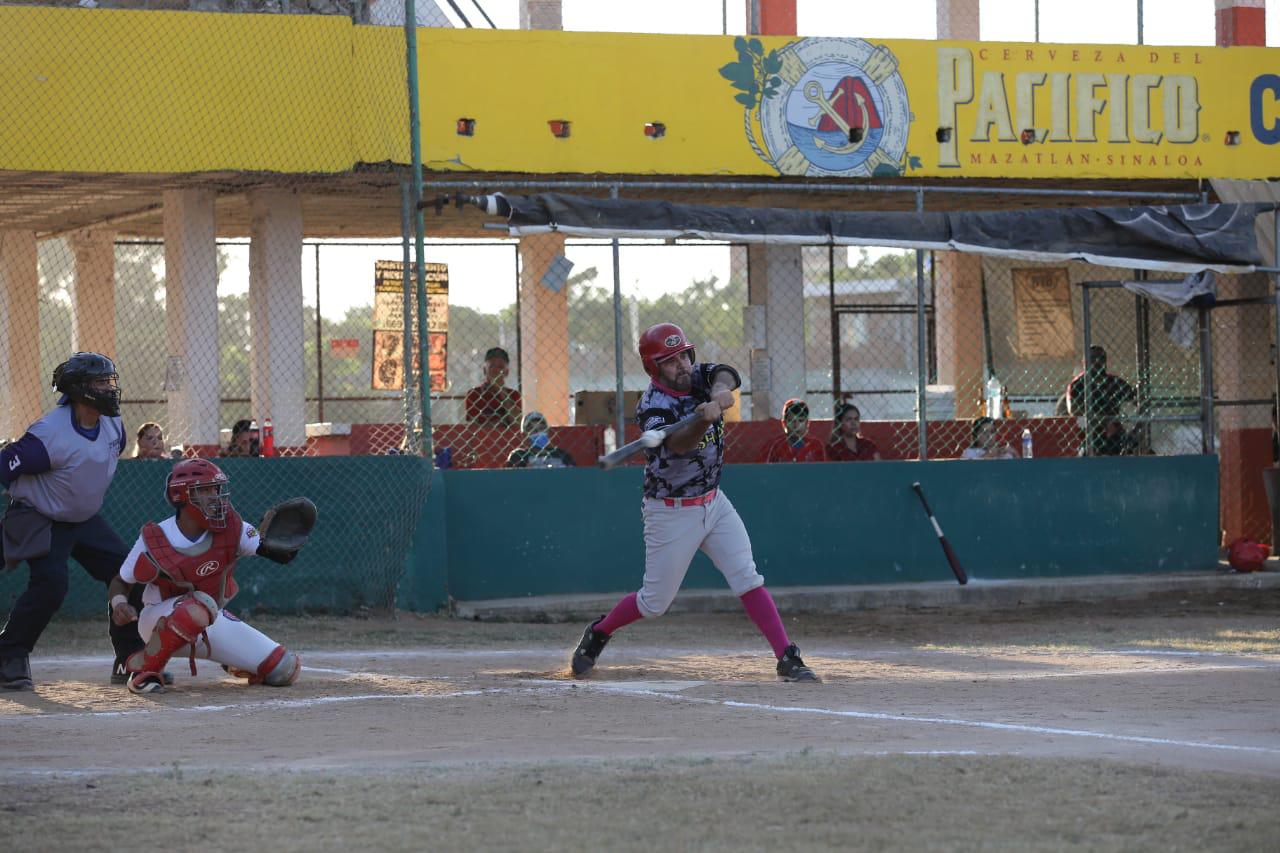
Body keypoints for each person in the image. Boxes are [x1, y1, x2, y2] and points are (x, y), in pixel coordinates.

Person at [569, 323, 819, 683]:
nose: (682, 365)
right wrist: (702, 420)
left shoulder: (696, 376)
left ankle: (786, 655)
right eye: (670, 361)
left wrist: (718, 392)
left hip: (714, 502)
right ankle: (600, 631)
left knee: (747, 577)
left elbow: (725, 374)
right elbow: (680, 445)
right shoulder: (653, 406)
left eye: (684, 355)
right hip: (670, 511)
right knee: (654, 603)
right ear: (654, 368)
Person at [0, 352, 154, 690]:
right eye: (100, 382)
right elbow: (5, 465)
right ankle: (9, 654)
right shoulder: (49, 434)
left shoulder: (113, 424)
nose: (109, 388)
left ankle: (129, 655)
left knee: (131, 573)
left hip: (82, 518)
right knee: (51, 585)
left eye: (109, 380)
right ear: (78, 389)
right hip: (40, 516)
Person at [107, 458, 303, 694]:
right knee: (198, 605)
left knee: (283, 668)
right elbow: (121, 582)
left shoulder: (232, 526)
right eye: (205, 491)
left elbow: (275, 552)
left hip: (209, 620)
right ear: (182, 496)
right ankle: (144, 672)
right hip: (157, 622)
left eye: (216, 489)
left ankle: (232, 659)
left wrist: (286, 544)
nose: (215, 497)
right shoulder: (157, 537)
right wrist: (119, 604)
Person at [1065, 346, 1136, 456]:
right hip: (1088, 432)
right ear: (1084, 362)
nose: (1097, 362)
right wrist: (1102, 420)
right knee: (1086, 450)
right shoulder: (1078, 384)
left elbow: (1136, 399)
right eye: (1093, 358)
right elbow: (1073, 409)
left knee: (1131, 446)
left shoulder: (1115, 382)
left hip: (1115, 434)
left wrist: (1133, 427)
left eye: (1101, 358)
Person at [464, 346, 521, 427]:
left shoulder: (514, 395)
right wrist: (499, 424)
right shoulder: (474, 394)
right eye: (492, 366)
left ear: (506, 372)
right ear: (484, 370)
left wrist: (501, 391)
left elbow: (517, 423)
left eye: (500, 367)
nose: (496, 370)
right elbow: (473, 426)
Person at [758, 398, 827, 463]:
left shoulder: (816, 445)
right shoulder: (774, 445)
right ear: (784, 423)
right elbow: (761, 470)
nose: (795, 425)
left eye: (800, 420)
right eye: (791, 420)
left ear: (807, 423)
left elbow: (825, 471)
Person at [506, 412, 576, 468]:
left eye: (542, 429)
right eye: (533, 430)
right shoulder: (519, 455)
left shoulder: (561, 455)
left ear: (547, 432)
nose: (538, 433)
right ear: (524, 435)